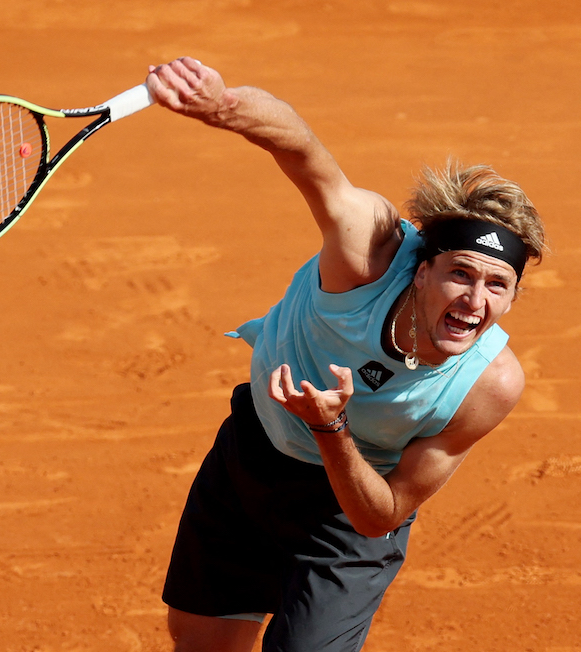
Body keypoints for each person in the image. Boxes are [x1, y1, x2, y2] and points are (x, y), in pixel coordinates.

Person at [145, 57, 546, 652]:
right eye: (460, 274)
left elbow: (381, 515)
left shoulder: (489, 383)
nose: (474, 299)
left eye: (496, 286)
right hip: (254, 453)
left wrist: (331, 429)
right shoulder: (369, 252)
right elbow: (303, 152)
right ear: (421, 270)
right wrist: (221, 105)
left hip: (350, 509)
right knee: (199, 644)